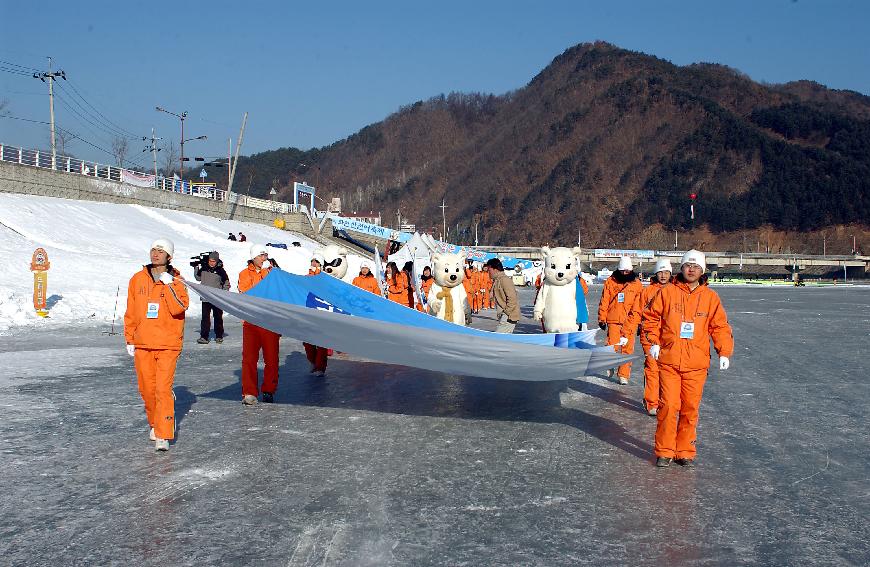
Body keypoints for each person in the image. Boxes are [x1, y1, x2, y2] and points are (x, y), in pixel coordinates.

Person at [643, 250, 734, 468]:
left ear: (702, 270)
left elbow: (719, 326)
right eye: (687, 265)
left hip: (696, 364)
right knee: (668, 406)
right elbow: (650, 319)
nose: (691, 269)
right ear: (681, 268)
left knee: (690, 408)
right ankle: (664, 450)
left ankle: (684, 450)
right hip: (669, 361)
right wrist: (654, 343)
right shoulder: (667, 293)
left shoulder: (710, 297)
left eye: (696, 266)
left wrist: (724, 351)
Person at [124, 238, 189, 451]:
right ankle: (155, 422)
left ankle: (163, 433)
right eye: (153, 249)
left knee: (162, 389)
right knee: (147, 390)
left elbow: (179, 308)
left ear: (169, 256)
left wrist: (168, 284)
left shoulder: (178, 282)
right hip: (143, 342)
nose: (155, 254)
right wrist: (130, 338)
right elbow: (131, 311)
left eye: (160, 251)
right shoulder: (137, 279)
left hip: (168, 343)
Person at [238, 243, 281, 404]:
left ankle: (269, 389)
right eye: (261, 256)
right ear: (253, 257)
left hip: (270, 321)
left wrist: (275, 274)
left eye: (265, 256)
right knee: (249, 358)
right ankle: (249, 391)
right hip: (251, 321)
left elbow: (277, 292)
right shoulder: (244, 274)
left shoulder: (272, 273)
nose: (264, 259)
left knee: (271, 358)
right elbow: (247, 292)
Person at [597, 257, 642, 385]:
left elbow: (638, 305)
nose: (624, 273)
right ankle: (609, 364)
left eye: (627, 271)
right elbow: (604, 300)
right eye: (622, 271)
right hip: (613, 319)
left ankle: (623, 374)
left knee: (627, 349)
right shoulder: (611, 282)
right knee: (612, 346)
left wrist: (637, 322)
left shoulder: (636, 284)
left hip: (630, 321)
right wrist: (602, 318)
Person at [639, 259, 673, 416]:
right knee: (652, 369)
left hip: (669, 339)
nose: (663, 275)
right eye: (660, 272)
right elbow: (636, 312)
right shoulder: (647, 291)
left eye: (666, 272)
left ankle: (664, 402)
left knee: (667, 372)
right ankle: (651, 403)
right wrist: (628, 332)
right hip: (649, 337)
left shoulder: (675, 291)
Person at [194, 251, 230, 344]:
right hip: (205, 298)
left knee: (218, 317)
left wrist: (224, 293)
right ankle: (204, 337)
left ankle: (219, 336)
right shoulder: (204, 268)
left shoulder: (220, 271)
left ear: (217, 261)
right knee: (205, 318)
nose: (211, 262)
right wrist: (196, 267)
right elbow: (198, 278)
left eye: (213, 261)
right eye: (210, 260)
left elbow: (226, 283)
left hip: (217, 298)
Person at [304, 255, 329, 376]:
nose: (314, 263)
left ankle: (320, 367)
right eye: (312, 261)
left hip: (321, 314)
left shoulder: (325, 278)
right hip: (308, 314)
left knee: (321, 343)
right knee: (307, 342)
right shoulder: (306, 277)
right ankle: (313, 362)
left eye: (316, 261)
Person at [485, 258, 519, 333]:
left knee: (497, 339)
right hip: (504, 315)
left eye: (489, 270)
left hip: (509, 316)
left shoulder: (504, 280)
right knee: (505, 340)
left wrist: (506, 313)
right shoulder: (497, 280)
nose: (488, 272)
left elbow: (512, 299)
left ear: (495, 269)